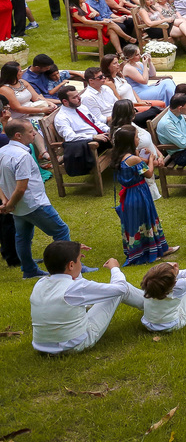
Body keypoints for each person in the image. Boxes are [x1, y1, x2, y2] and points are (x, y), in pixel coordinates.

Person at [29, 240, 145, 354]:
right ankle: (155, 303)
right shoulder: (76, 288)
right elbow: (121, 288)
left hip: (41, 346)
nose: (81, 262)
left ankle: (153, 301)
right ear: (71, 265)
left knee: (107, 294)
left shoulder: (40, 284)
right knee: (122, 290)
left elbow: (73, 282)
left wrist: (73, 252)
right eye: (80, 260)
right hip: (74, 346)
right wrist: (114, 268)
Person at [1, 120, 72, 278]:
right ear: (18, 136)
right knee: (61, 230)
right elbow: (21, 187)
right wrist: (10, 204)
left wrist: (6, 202)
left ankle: (29, 270)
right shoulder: (22, 156)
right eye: (31, 131)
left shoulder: (2, 151)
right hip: (34, 204)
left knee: (23, 237)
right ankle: (65, 269)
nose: (34, 133)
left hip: (18, 207)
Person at [110, 125, 176, 265]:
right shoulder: (134, 159)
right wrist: (151, 158)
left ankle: (156, 249)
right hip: (138, 193)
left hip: (129, 194)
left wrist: (141, 156)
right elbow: (149, 173)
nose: (138, 139)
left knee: (138, 222)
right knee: (146, 220)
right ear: (129, 141)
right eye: (136, 137)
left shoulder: (121, 156)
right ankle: (150, 252)